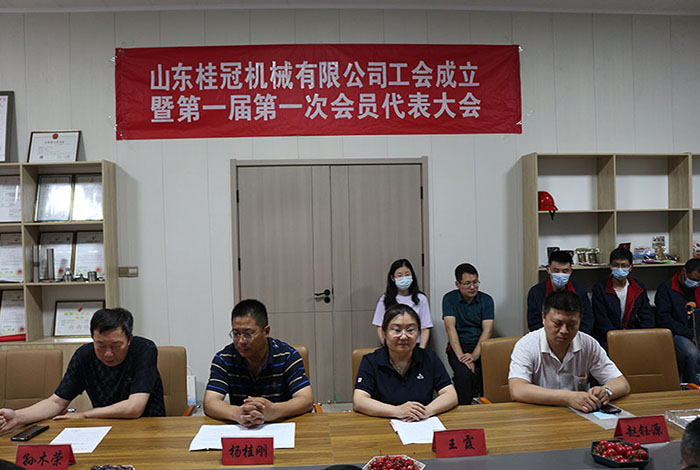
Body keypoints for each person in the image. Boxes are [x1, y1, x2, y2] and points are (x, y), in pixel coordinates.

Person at [0, 308, 165, 433]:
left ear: (129, 339)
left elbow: (134, 407)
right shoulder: (84, 355)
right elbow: (56, 402)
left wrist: (85, 414)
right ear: (92, 338)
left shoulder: (143, 349)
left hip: (147, 428)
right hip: (104, 428)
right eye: (100, 345)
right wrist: (17, 417)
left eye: (116, 345)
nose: (108, 353)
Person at [509, 291, 630, 412]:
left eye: (571, 324)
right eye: (557, 323)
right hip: (537, 413)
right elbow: (517, 390)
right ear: (543, 318)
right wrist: (568, 398)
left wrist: (606, 391)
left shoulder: (588, 344)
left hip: (578, 413)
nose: (564, 331)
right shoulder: (527, 345)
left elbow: (622, 383)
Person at [204, 299, 313, 427]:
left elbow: (306, 399)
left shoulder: (287, 356)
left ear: (266, 331)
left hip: (282, 426)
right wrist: (237, 413)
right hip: (243, 428)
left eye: (248, 334)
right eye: (236, 334)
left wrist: (273, 410)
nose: (241, 341)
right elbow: (210, 402)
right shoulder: (224, 359)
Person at [354, 304, 458, 421]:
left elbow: (450, 395)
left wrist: (426, 411)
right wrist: (397, 411)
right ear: (384, 332)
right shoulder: (371, 361)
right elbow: (359, 401)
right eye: (397, 330)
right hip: (382, 422)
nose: (404, 336)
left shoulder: (429, 358)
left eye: (410, 330)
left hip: (421, 423)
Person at [442, 263, 494, 405]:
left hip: (481, 346)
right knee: (463, 375)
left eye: (475, 282)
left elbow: (488, 330)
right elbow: (450, 328)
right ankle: (463, 408)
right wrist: (462, 357)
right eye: (467, 283)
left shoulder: (487, 300)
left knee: (490, 375)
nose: (472, 287)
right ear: (457, 284)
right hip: (459, 346)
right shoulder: (449, 299)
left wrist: (474, 356)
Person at [591, 247, 654, 350]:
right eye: (616, 265)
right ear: (610, 266)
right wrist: (617, 338)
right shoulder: (600, 289)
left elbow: (647, 317)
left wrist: (644, 336)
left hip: (634, 335)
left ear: (631, 267)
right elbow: (601, 321)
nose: (620, 269)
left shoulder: (638, 287)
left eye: (624, 266)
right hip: (608, 337)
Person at [654, 259, 700, 385]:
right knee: (691, 353)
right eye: (693, 279)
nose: (695, 283)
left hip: (696, 331)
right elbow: (664, 319)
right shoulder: (666, 288)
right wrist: (690, 335)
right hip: (676, 333)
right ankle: (693, 389)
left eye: (698, 281)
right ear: (683, 271)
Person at [526, 250, 594, 334]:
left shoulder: (579, 291)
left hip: (575, 336)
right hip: (546, 338)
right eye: (556, 271)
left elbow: (587, 321)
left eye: (565, 271)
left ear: (571, 271)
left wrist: (573, 337)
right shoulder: (536, 292)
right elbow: (534, 324)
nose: (560, 275)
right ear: (548, 269)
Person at [372, 259, 433, 348]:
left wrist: (421, 350)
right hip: (392, 345)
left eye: (407, 274)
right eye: (400, 275)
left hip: (415, 345)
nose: (404, 278)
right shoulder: (385, 299)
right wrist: (387, 347)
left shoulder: (421, 299)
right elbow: (379, 326)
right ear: (393, 278)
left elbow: (425, 328)